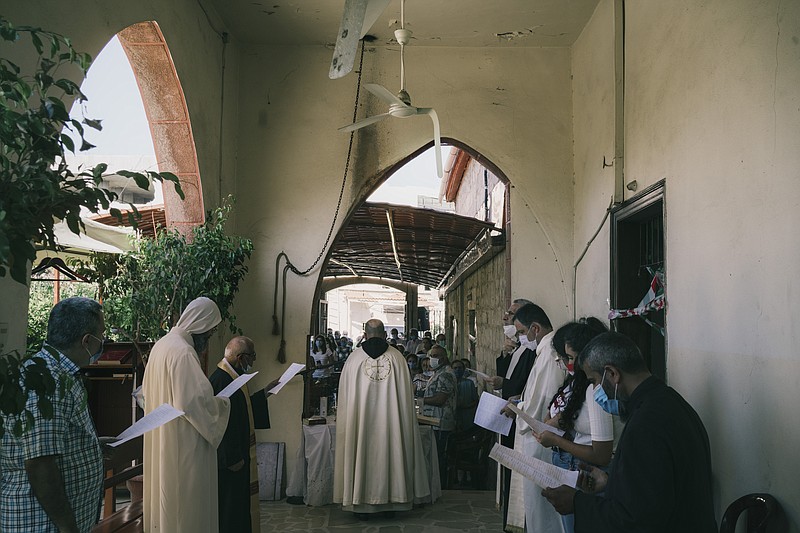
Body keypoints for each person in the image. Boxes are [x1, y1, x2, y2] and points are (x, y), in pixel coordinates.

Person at [542, 332, 717, 532]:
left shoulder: (646, 424)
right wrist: (611, 483)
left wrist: (577, 503)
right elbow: (655, 486)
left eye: (594, 381)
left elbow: (636, 519)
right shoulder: (670, 401)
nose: (596, 389)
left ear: (612, 374)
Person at [1, 297, 105, 533]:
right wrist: (69, 529)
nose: (103, 343)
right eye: (102, 335)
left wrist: (93, 447)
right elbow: (40, 464)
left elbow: (48, 441)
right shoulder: (45, 381)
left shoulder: (61, 373)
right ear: (87, 341)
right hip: (40, 524)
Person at [142, 297, 231, 533]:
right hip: (184, 444)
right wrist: (222, 403)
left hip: (164, 437)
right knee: (187, 510)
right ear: (200, 325)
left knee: (168, 507)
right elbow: (193, 401)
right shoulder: (183, 353)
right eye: (210, 333)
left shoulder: (161, 346)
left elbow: (145, 394)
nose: (208, 339)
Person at [334, 318, 430, 518]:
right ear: (384, 334)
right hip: (391, 425)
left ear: (365, 333)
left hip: (360, 425)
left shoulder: (354, 359)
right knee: (392, 449)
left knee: (361, 452)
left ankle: (360, 502)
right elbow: (405, 397)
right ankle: (392, 500)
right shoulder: (397, 358)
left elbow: (345, 397)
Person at [536, 319, 622, 533]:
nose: (567, 364)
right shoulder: (578, 382)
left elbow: (601, 454)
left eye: (571, 358)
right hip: (574, 464)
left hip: (589, 471)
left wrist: (556, 440)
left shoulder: (596, 391)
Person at [503, 303, 564, 533]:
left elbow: (543, 400)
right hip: (536, 435)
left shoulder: (549, 353)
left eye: (521, 332)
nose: (520, 337)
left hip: (539, 439)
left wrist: (519, 408)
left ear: (535, 328)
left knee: (542, 509)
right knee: (535, 507)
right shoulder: (543, 352)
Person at [209, 336, 279, 533]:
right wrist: (231, 457)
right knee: (230, 510)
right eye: (252, 356)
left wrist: (265, 392)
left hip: (238, 456)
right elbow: (219, 423)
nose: (253, 361)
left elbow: (242, 408)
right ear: (240, 357)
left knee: (239, 508)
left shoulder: (233, 377)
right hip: (230, 461)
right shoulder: (220, 380)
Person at [489, 298, 535, 529]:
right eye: (507, 313)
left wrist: (507, 388)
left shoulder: (532, 350)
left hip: (519, 417)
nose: (507, 317)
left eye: (512, 314)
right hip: (509, 414)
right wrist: (505, 356)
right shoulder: (518, 348)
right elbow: (509, 379)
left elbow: (524, 385)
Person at [421, 345, 457, 484]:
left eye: (435, 356)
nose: (432, 359)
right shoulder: (437, 372)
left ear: (443, 358)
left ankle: (441, 485)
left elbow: (441, 399)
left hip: (441, 422)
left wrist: (421, 400)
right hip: (433, 420)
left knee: (440, 456)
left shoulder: (446, 374)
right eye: (431, 355)